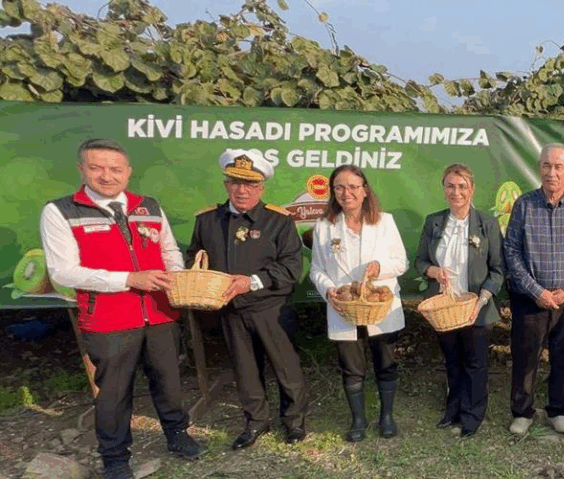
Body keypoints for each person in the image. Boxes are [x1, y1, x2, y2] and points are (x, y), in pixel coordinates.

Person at [40, 139, 204, 479]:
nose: (107, 175)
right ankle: (115, 459)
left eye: (115, 169)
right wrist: (129, 279)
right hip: (108, 319)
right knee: (113, 394)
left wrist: (174, 271)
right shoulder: (60, 210)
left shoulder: (149, 206)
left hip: (160, 313)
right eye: (96, 167)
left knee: (168, 381)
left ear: (128, 172)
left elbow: (169, 249)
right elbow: (63, 272)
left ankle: (177, 434)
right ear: (81, 169)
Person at [186, 149, 307, 450]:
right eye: (235, 182)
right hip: (229, 310)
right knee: (245, 370)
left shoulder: (278, 221)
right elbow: (194, 257)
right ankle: (256, 422)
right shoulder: (207, 220)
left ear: (261, 188)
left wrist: (250, 282)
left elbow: (292, 267)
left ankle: (294, 422)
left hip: (271, 308)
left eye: (250, 184)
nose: (242, 190)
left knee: (286, 368)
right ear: (226, 184)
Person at [309, 165, 408, 442]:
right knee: (351, 367)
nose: (346, 193)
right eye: (339, 187)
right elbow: (316, 269)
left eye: (353, 186)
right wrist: (329, 290)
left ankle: (386, 416)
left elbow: (401, 262)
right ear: (333, 192)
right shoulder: (324, 226)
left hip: (380, 305)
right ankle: (358, 420)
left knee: (385, 362)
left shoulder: (384, 222)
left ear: (365, 190)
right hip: (344, 306)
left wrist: (379, 267)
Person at [504, 143, 564, 435]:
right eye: (546, 166)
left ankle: (558, 411)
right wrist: (536, 291)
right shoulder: (524, 204)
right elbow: (511, 250)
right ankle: (522, 412)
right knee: (525, 357)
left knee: (563, 357)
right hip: (531, 299)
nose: (551, 173)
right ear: (539, 168)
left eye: (558, 167)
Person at [414, 163, 504, 438]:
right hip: (445, 309)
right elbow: (419, 261)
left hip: (475, 308)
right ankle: (452, 409)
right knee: (452, 361)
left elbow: (499, 269)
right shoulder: (434, 222)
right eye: (451, 186)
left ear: (472, 189)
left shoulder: (486, 224)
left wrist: (483, 297)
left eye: (462, 186)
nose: (456, 192)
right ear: (444, 189)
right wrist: (432, 271)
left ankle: (472, 415)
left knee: (475, 363)